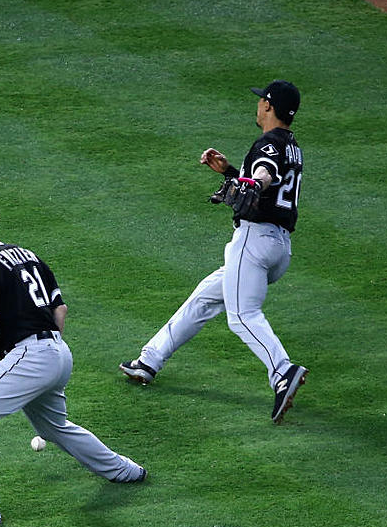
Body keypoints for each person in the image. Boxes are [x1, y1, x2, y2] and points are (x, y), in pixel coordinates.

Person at [0, 201, 146, 527]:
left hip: (32, 357)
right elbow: (60, 309)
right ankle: (125, 470)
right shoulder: (25, 254)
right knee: (53, 427)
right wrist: (48, 347)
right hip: (58, 352)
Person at [120, 80, 307, 423]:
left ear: (268, 105)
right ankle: (149, 360)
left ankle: (283, 371)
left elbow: (265, 176)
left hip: (254, 242)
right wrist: (234, 174)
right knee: (205, 297)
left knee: (242, 315)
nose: (258, 106)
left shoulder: (269, 143)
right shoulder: (292, 146)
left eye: (261, 101)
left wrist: (253, 181)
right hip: (278, 246)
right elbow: (267, 182)